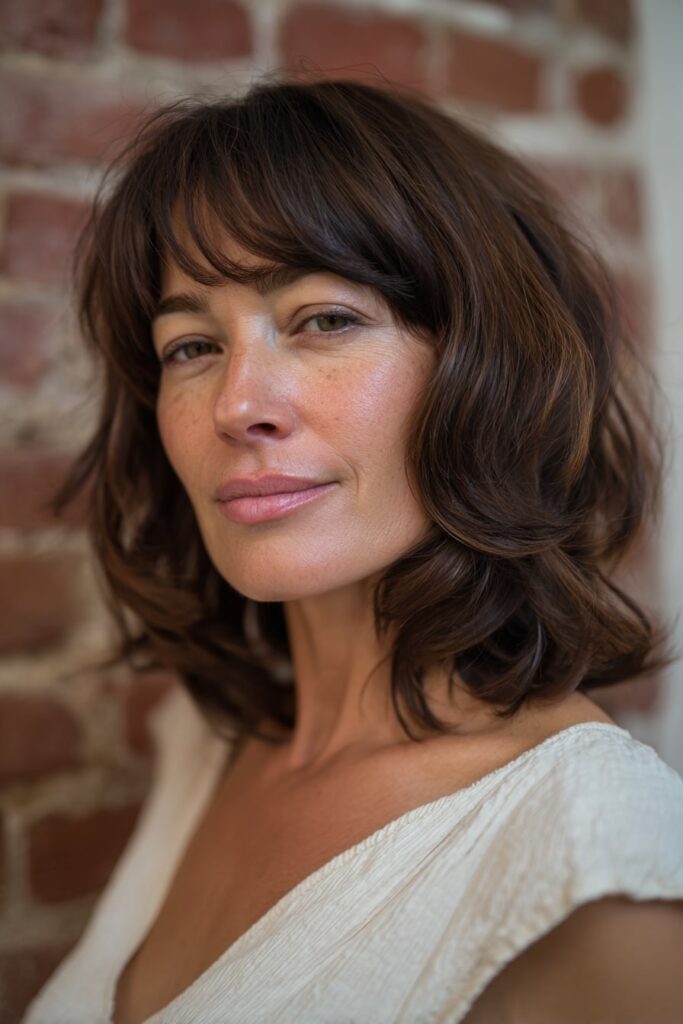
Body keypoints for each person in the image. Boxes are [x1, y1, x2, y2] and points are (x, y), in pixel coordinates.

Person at [23, 73, 683, 1024]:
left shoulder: (602, 880)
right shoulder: (206, 744)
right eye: (190, 346)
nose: (237, 405)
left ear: (491, 372)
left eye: (324, 320)